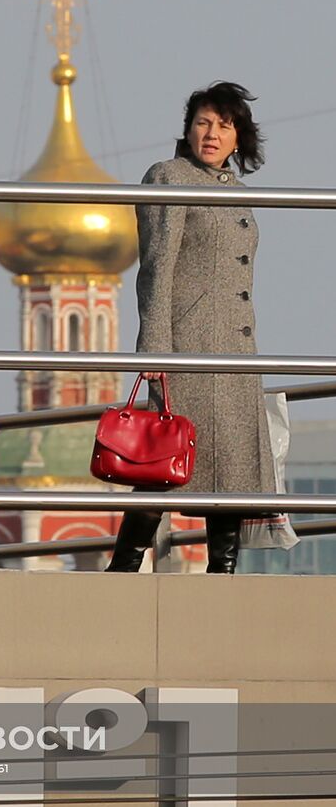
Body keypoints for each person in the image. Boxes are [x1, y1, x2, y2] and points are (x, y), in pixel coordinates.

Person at [106, 81, 275, 575]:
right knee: (165, 462)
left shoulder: (237, 191)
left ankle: (222, 575)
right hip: (190, 346)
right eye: (203, 122)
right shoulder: (169, 175)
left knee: (233, 473)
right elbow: (156, 268)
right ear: (187, 128)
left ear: (239, 137)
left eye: (224, 125)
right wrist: (155, 351)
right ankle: (123, 567)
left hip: (237, 353)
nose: (211, 133)